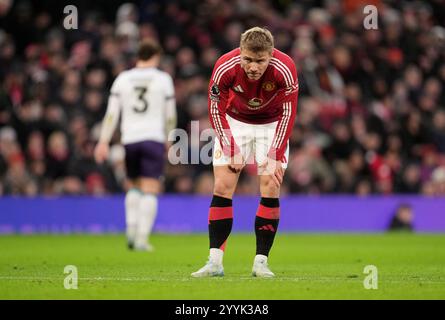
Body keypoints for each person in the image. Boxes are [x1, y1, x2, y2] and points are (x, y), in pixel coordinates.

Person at [191, 27, 298, 277]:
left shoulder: (286, 68)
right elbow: (215, 109)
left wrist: (274, 153)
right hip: (235, 121)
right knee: (222, 187)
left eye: (260, 61)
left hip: (271, 124)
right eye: (248, 59)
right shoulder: (224, 66)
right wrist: (230, 146)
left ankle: (261, 263)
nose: (253, 67)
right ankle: (214, 262)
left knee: (271, 185)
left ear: (271, 55)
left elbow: (288, 113)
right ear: (240, 52)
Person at [94, 39, 176, 251]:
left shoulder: (123, 79)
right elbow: (170, 115)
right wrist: (169, 137)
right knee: (150, 188)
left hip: (129, 140)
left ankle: (130, 228)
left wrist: (103, 141)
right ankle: (141, 238)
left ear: (138, 56)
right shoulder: (163, 79)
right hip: (153, 138)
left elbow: (112, 114)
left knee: (133, 185)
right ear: (156, 56)